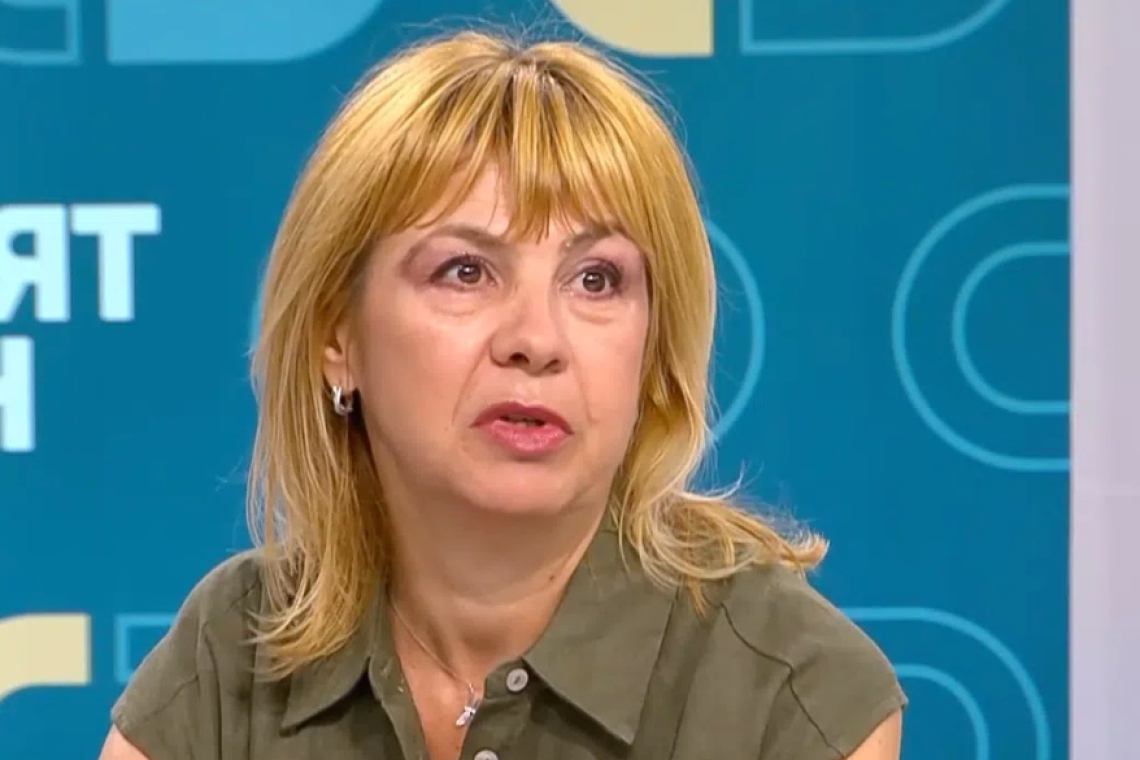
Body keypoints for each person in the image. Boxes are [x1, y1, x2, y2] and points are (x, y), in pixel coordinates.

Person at [97, 27, 906, 760]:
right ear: (337, 338)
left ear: (652, 348)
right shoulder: (234, 651)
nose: (537, 339)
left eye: (596, 279)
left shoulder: (791, 689)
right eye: (465, 271)